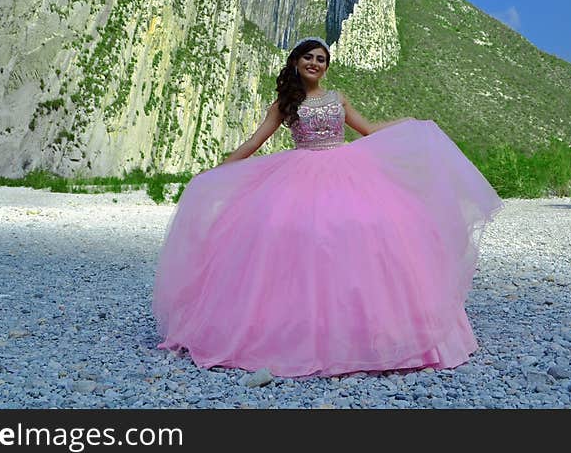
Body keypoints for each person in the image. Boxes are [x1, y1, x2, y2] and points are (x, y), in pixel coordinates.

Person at [152, 37, 503, 377]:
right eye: (309, 57)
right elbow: (255, 141)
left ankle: (370, 330)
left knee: (366, 233)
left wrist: (408, 124)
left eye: (321, 59)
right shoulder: (284, 104)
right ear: (295, 62)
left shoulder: (338, 98)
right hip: (298, 174)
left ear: (326, 67)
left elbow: (368, 129)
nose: (315, 63)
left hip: (347, 170)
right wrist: (217, 172)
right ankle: (299, 328)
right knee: (292, 238)